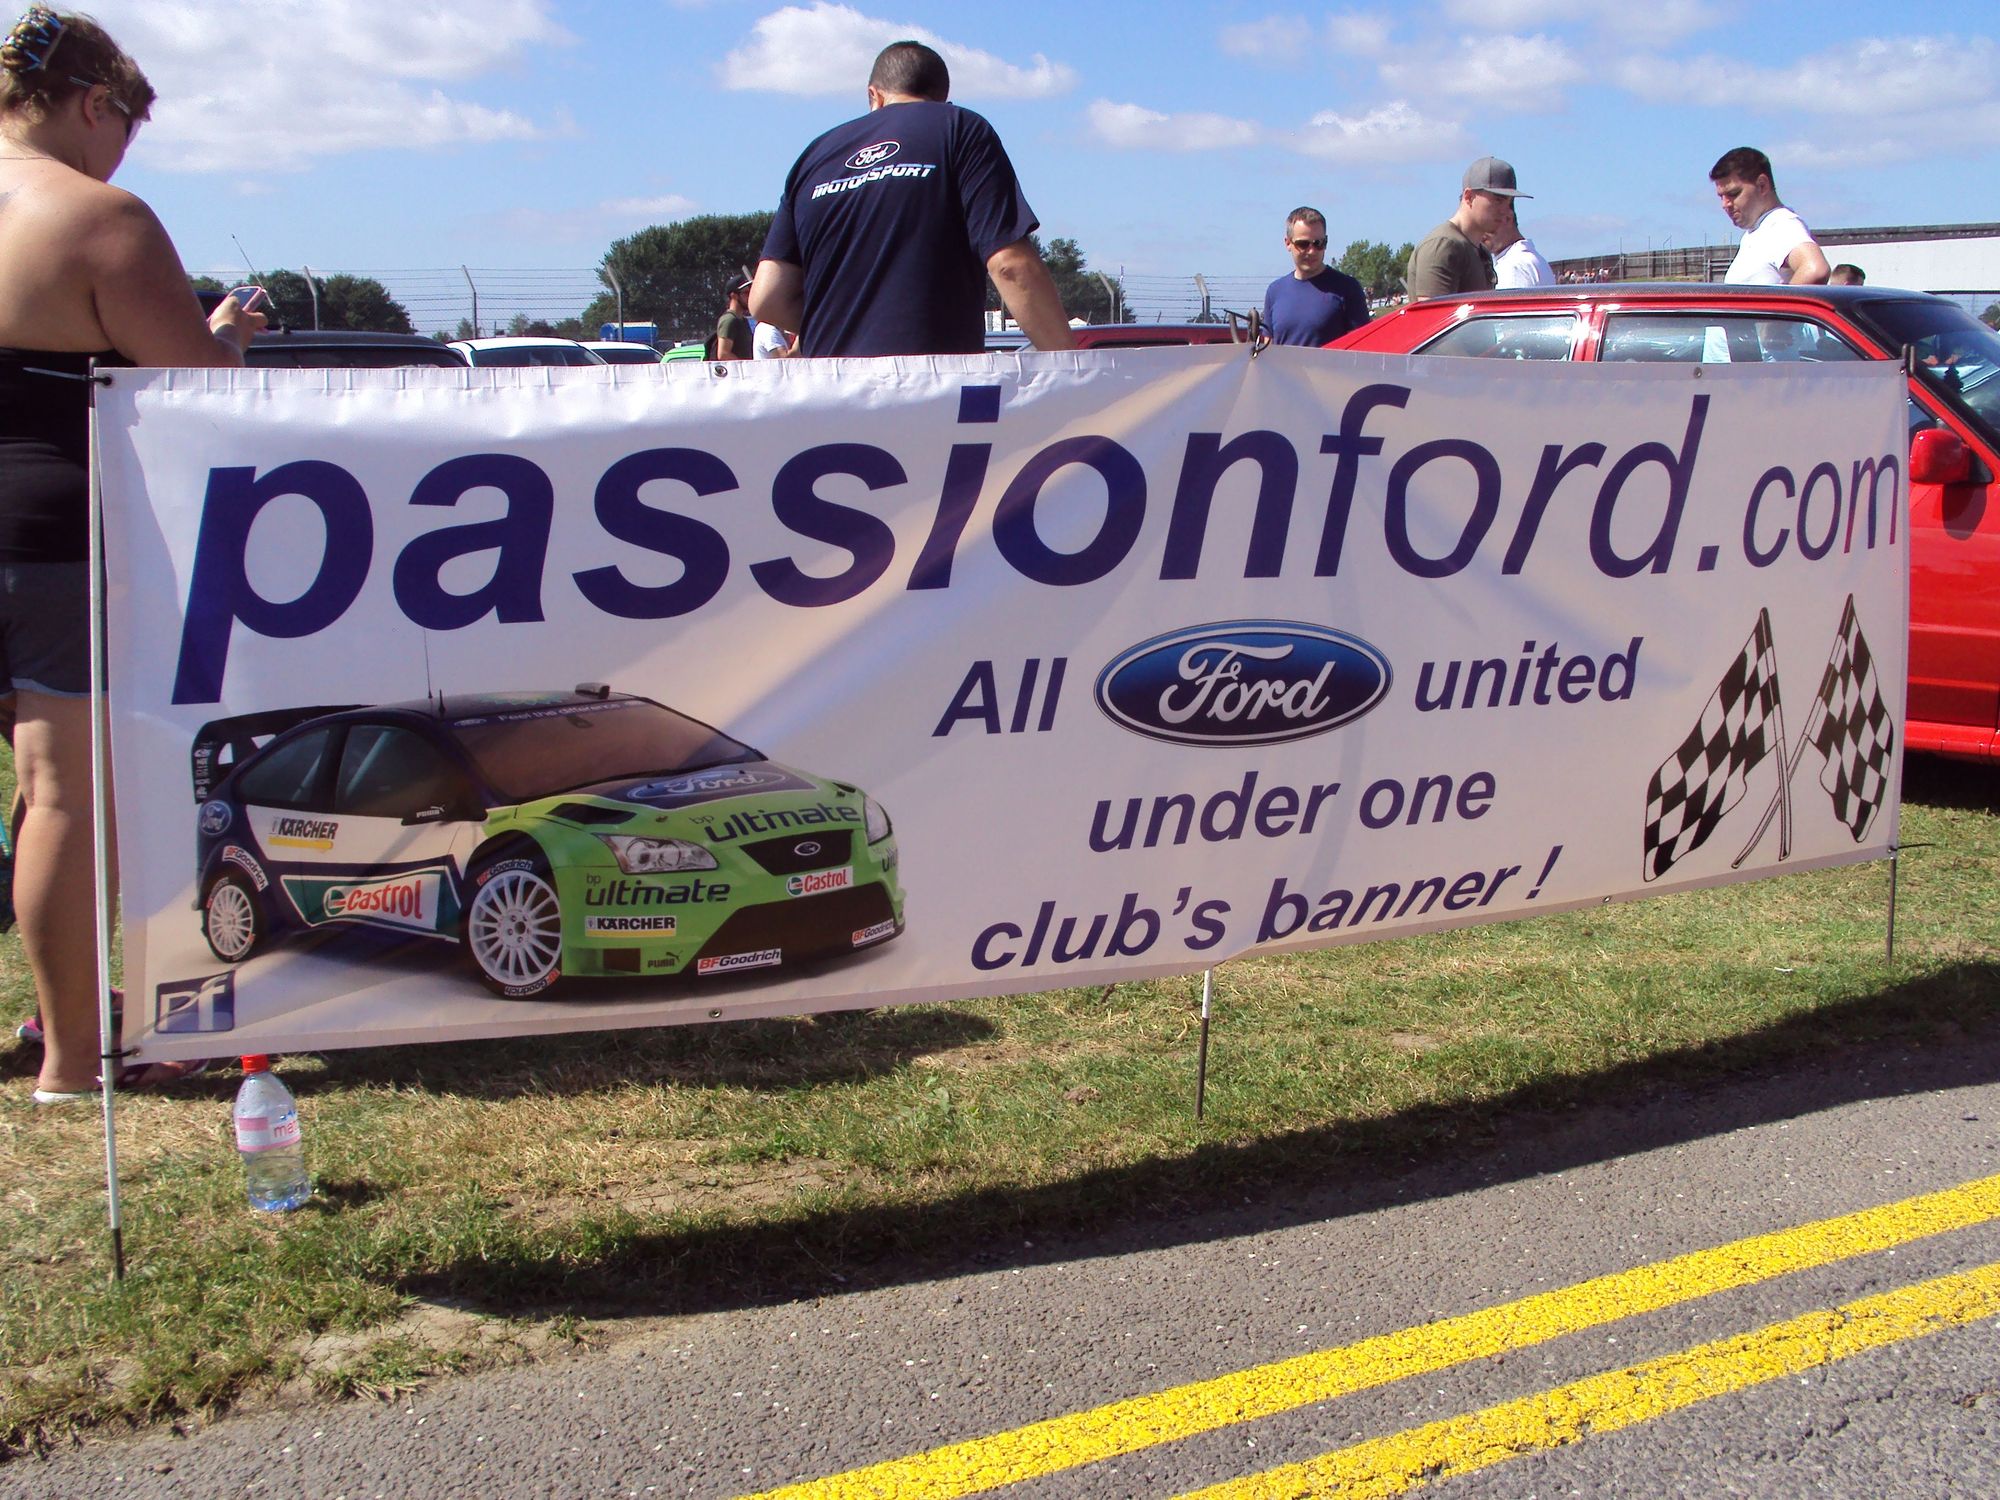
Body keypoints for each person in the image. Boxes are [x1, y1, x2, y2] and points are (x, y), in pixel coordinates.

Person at [0, 6, 263, 1102]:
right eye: (125, 129)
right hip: (53, 530)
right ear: (93, 104)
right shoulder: (99, 218)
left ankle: (61, 1015)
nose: (121, 154)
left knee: (36, 791)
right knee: (64, 790)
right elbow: (192, 381)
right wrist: (229, 336)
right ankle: (74, 1057)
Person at [750, 40, 1073, 357]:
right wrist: (1077, 370)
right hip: (934, 381)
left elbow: (766, 299)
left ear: (874, 96)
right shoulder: (959, 128)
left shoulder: (815, 155)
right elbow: (1009, 266)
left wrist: (843, 329)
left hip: (833, 382)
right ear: (942, 100)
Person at [1405, 157, 1523, 300]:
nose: (1506, 211)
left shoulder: (1480, 251)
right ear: (1469, 197)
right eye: (1498, 200)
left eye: (1509, 203)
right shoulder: (1443, 246)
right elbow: (1433, 313)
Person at [1710, 147, 1829, 286]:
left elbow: (1815, 269)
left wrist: (1783, 301)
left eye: (1733, 194)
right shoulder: (1759, 231)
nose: (1725, 204)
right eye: (1721, 197)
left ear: (1762, 185)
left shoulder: (1781, 225)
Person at [1261, 206, 1369, 346]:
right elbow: (1267, 347)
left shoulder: (1347, 288)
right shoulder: (1275, 291)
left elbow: (1362, 347)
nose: (1312, 251)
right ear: (1288, 243)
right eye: (1303, 244)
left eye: (1318, 243)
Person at [1487, 199, 1554, 288]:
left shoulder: (1513, 268)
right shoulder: (1531, 260)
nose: (1479, 231)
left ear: (1507, 218)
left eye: (1484, 222)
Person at [713, 279, 753, 361]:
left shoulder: (743, 320)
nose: (749, 297)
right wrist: (745, 365)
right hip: (736, 369)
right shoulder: (729, 320)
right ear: (734, 295)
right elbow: (723, 354)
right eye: (746, 293)